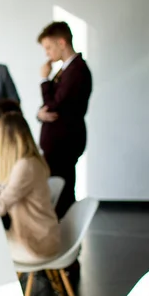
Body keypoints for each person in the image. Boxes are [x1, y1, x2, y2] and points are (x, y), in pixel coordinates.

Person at [0, 112, 60, 265]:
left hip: (36, 245)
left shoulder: (25, 166)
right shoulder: (27, 161)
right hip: (41, 236)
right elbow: (0, 192)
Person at [36, 21, 92, 220]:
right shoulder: (65, 70)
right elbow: (47, 108)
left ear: (62, 42)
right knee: (60, 188)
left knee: (63, 191)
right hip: (59, 141)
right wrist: (40, 114)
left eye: (49, 47)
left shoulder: (77, 71)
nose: (47, 54)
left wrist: (44, 80)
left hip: (65, 141)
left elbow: (53, 106)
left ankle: (64, 235)